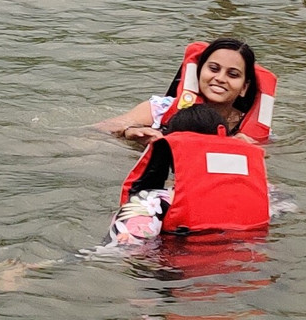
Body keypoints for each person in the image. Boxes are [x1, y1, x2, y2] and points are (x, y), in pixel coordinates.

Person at [103, 104, 270, 245]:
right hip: (247, 270)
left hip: (177, 271)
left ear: (170, 152)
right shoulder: (266, 196)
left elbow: (121, 248)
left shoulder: (153, 201)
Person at [92, 38, 277, 144]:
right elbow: (96, 131)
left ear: (244, 88)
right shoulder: (159, 110)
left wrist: (248, 149)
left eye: (233, 74)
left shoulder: (251, 132)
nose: (220, 78)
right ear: (198, 73)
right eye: (213, 69)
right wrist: (129, 133)